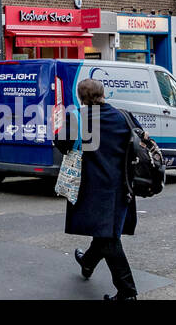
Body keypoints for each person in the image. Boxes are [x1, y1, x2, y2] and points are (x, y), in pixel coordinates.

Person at [57, 78, 140, 301]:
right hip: (122, 186)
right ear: (104, 94)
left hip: (92, 188)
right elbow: (139, 140)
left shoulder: (77, 119)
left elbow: (62, 145)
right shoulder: (124, 116)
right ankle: (87, 262)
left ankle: (127, 292)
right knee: (105, 232)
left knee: (108, 237)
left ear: (82, 98)